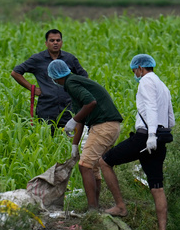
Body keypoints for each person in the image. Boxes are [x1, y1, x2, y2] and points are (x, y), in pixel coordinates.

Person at [99, 54, 175, 230]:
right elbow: (171, 118)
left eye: (135, 71)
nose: (135, 74)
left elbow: (150, 107)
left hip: (145, 138)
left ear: (141, 68)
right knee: (157, 187)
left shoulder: (146, 82)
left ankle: (120, 206)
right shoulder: (162, 85)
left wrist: (150, 136)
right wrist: (159, 134)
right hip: (161, 137)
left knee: (105, 161)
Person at [47, 59, 123, 210]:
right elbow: (81, 118)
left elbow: (90, 102)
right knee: (93, 167)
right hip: (110, 126)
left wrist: (72, 120)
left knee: (85, 166)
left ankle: (92, 210)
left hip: (104, 126)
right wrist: (75, 144)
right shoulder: (75, 82)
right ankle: (96, 205)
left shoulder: (71, 83)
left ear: (55, 77)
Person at [11, 29, 89, 129]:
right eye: (52, 41)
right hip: (46, 107)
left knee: (68, 137)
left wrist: (75, 90)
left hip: (67, 108)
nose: (55, 43)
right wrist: (32, 89)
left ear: (62, 42)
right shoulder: (37, 59)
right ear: (46, 43)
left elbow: (84, 76)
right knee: (46, 137)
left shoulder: (69, 58)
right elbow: (15, 72)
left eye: (58, 40)